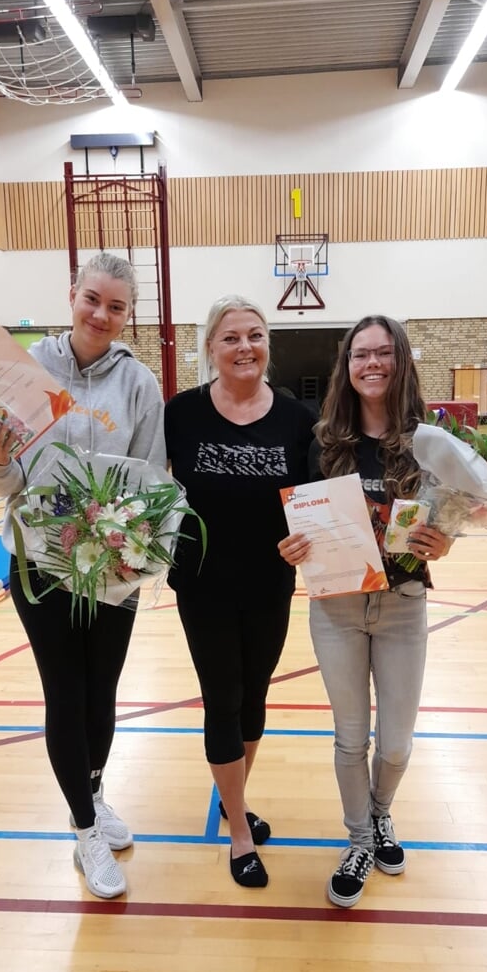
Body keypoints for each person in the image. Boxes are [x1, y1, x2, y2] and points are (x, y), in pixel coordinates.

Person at [0, 252, 166, 900]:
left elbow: (150, 474)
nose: (101, 314)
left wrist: (129, 536)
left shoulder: (139, 384)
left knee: (103, 690)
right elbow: (7, 480)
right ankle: (84, 829)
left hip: (111, 563)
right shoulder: (23, 370)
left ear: (128, 314)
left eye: (116, 306)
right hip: (40, 562)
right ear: (72, 295)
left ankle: (96, 790)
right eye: (92, 299)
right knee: (66, 692)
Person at [278, 314, 453, 908]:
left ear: (401, 360)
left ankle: (381, 814)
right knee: (350, 737)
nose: (371, 363)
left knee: (396, 743)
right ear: (346, 366)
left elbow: (447, 518)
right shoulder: (323, 439)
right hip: (339, 609)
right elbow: (305, 521)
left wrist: (444, 540)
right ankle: (359, 838)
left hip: (404, 605)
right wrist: (294, 546)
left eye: (383, 353)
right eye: (360, 354)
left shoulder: (430, 442)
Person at [164, 296, 317, 888]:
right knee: (221, 699)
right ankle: (238, 834)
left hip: (270, 583)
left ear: (267, 345)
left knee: (254, 698)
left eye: (255, 335)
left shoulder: (298, 419)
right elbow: (145, 480)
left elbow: (315, 503)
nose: (245, 347)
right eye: (230, 338)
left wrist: (308, 540)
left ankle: (234, 800)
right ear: (210, 348)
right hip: (201, 583)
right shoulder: (182, 414)